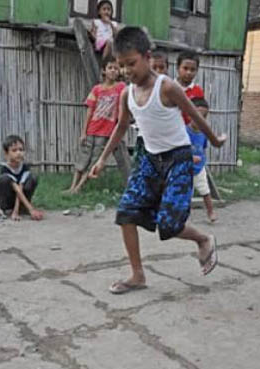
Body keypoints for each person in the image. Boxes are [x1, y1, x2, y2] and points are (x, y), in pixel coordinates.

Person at [89, 27, 227, 294]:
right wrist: (103, 158)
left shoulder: (167, 87)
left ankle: (202, 239)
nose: (127, 71)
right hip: (150, 160)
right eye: (121, 65)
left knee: (169, 224)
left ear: (147, 56)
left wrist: (214, 139)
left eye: (132, 63)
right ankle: (137, 275)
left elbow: (194, 116)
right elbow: (120, 127)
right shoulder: (126, 94)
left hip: (179, 159)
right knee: (126, 213)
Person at [66, 56, 130, 194]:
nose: (113, 71)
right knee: (82, 159)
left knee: (94, 161)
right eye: (110, 68)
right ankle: (72, 186)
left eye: (116, 68)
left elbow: (129, 89)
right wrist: (84, 132)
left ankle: (78, 188)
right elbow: (89, 111)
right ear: (104, 71)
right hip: (92, 130)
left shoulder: (121, 87)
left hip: (106, 132)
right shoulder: (96, 89)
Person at [0, 135, 44, 221]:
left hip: (20, 199)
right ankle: (3, 208)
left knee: (32, 178)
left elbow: (20, 188)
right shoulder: (5, 168)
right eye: (14, 150)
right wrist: (31, 210)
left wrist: (16, 210)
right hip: (7, 201)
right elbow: (17, 189)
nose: (18, 153)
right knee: (4, 179)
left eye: (21, 150)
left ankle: (23, 207)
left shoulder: (24, 167)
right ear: (6, 154)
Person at [187, 97, 217, 223]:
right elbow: (179, 151)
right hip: (186, 169)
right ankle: (184, 214)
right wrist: (190, 157)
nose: (200, 120)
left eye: (203, 117)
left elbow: (203, 148)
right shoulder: (184, 132)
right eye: (197, 116)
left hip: (199, 168)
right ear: (190, 114)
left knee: (205, 190)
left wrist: (201, 160)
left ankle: (210, 212)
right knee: (186, 193)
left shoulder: (204, 133)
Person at [176, 51, 205, 126]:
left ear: (197, 70)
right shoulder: (170, 88)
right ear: (178, 68)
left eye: (192, 70)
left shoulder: (198, 91)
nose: (188, 72)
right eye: (185, 68)